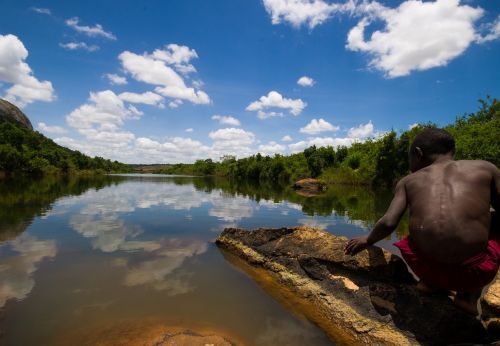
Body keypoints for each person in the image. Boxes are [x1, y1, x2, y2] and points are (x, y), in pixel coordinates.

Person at [344, 128, 500, 315]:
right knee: (494, 218)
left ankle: (429, 284)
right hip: (475, 273)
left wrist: (368, 240)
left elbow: (388, 223)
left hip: (426, 268)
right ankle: (468, 298)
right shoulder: (486, 168)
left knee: (420, 223)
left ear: (418, 153)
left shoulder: (408, 181)